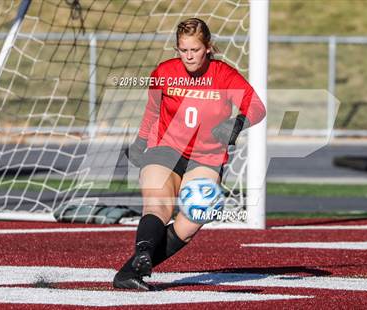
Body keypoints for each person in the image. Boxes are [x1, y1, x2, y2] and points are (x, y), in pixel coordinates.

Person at [113, 17, 266, 290]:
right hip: (165, 149)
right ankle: (144, 253)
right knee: (158, 206)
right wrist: (139, 142)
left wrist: (237, 123)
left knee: (194, 218)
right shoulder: (164, 72)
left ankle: (130, 270)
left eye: (194, 50)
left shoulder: (224, 75)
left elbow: (256, 107)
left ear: (208, 47)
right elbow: (152, 110)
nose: (189, 56)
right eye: (183, 50)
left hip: (206, 157)